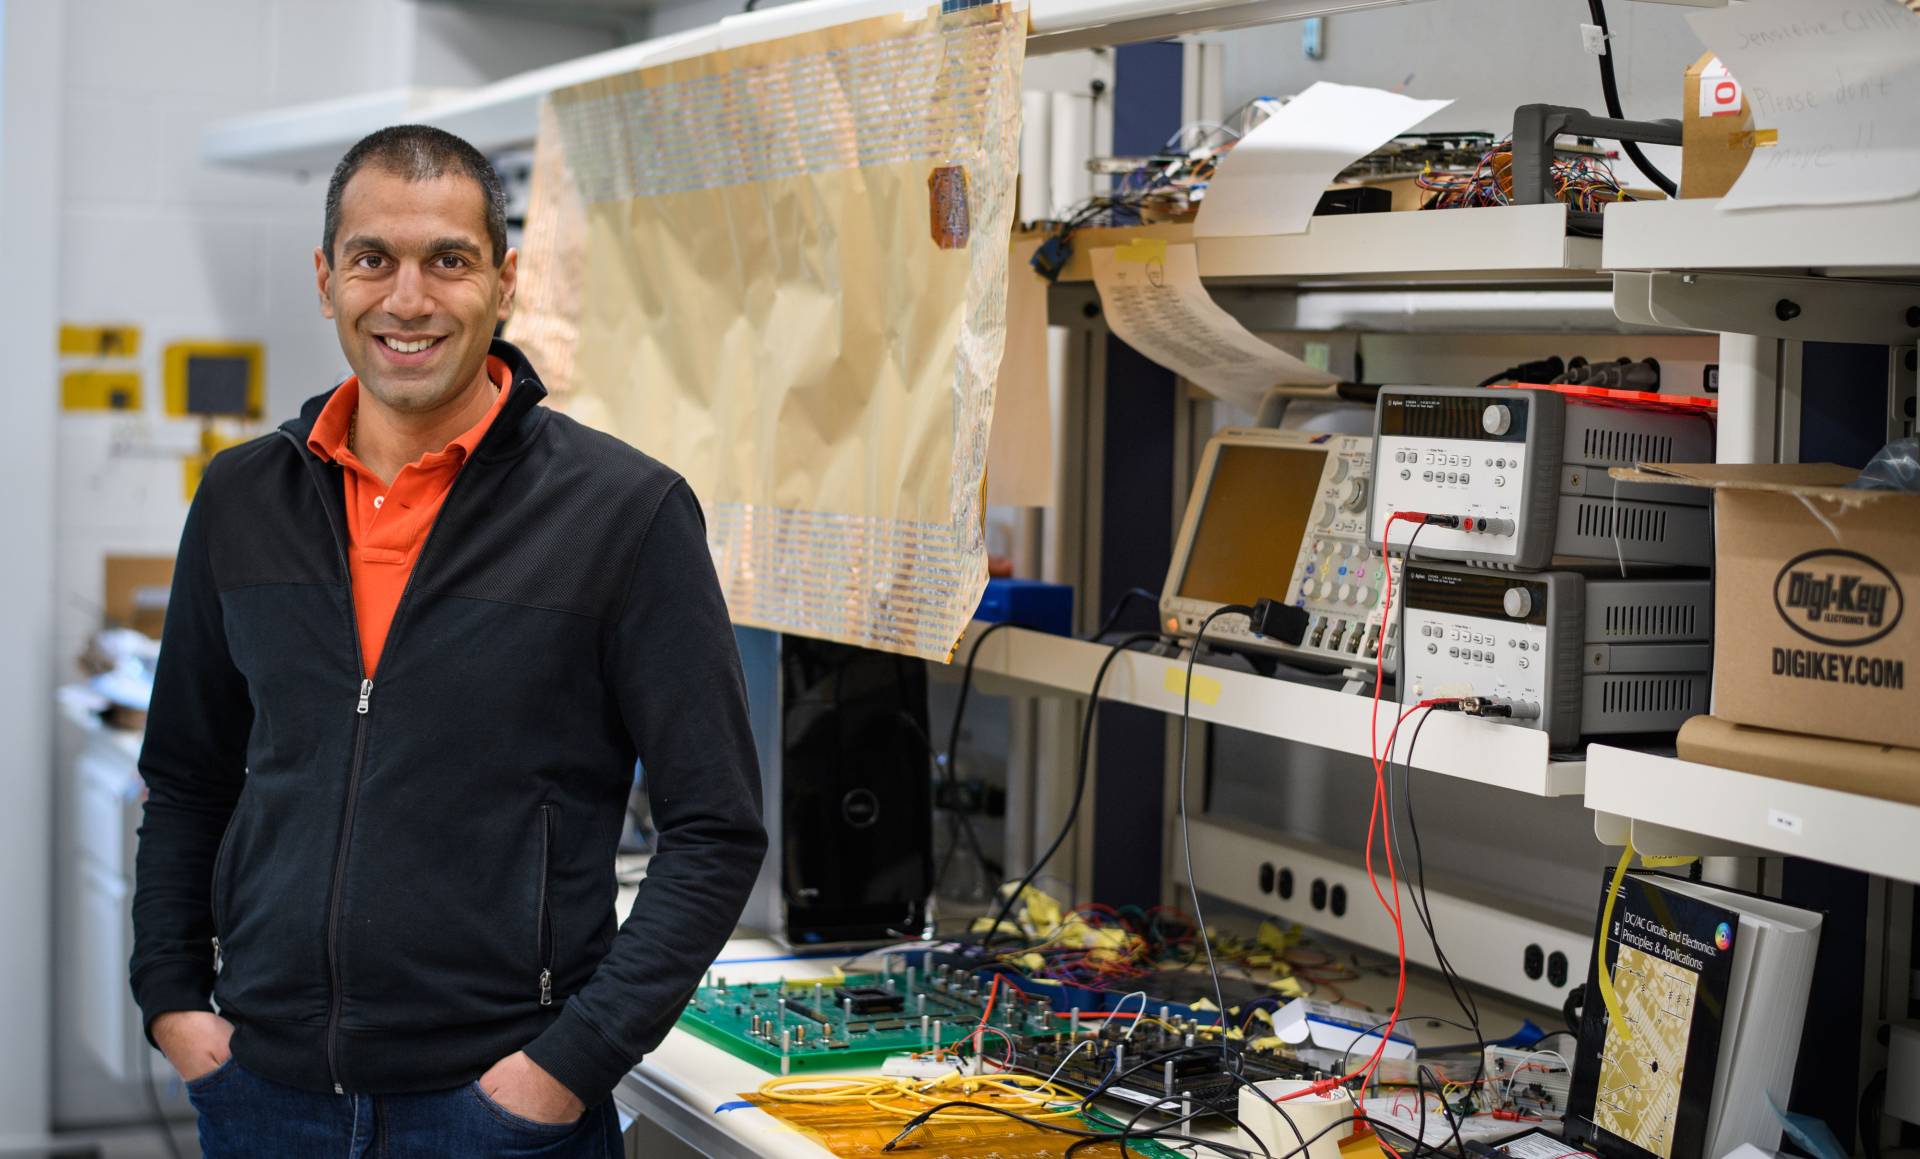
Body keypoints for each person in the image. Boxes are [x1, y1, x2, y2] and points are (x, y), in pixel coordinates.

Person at [128, 124, 767, 1157]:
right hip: (265, 1095)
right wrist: (171, 997)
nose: (408, 299)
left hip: (496, 1109)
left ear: (504, 282)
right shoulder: (244, 495)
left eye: (448, 260)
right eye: (373, 258)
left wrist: (569, 1065)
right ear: (326, 276)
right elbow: (188, 775)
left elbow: (715, 827)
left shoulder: (623, 513)